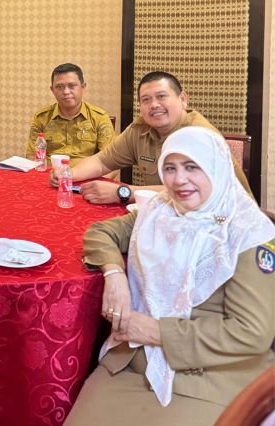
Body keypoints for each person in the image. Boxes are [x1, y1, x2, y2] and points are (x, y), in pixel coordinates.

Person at [66, 127, 275, 425]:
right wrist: (115, 275)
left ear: (216, 168)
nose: (179, 180)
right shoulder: (160, 210)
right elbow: (101, 233)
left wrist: (155, 331)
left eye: (192, 167)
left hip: (206, 377)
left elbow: (251, 333)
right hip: (131, 363)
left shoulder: (247, 234)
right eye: (170, 168)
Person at [49, 71, 252, 204]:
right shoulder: (141, 129)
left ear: (183, 99)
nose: (154, 105)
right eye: (146, 100)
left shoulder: (199, 136)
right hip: (168, 217)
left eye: (161, 97)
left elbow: (189, 193)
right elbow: (102, 161)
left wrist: (125, 192)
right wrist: (69, 174)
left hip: (218, 225)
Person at [26, 63, 115, 166]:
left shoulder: (99, 118)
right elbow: (32, 157)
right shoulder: (41, 117)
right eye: (59, 87)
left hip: (87, 178)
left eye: (72, 86)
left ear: (83, 87)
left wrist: (94, 182)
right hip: (49, 177)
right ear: (52, 90)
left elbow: (111, 163)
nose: (66, 92)